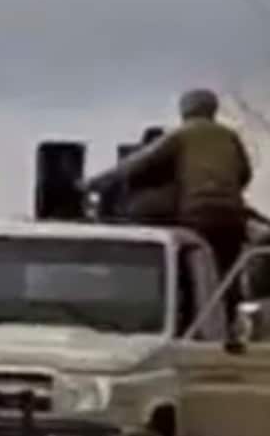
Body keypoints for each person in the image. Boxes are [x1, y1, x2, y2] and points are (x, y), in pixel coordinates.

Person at [82, 89, 252, 343]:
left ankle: (192, 331)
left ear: (185, 110)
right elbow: (245, 173)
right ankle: (228, 331)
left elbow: (137, 163)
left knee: (190, 274)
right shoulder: (230, 137)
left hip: (197, 215)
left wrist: (92, 183)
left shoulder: (182, 135)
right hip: (232, 218)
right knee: (226, 278)